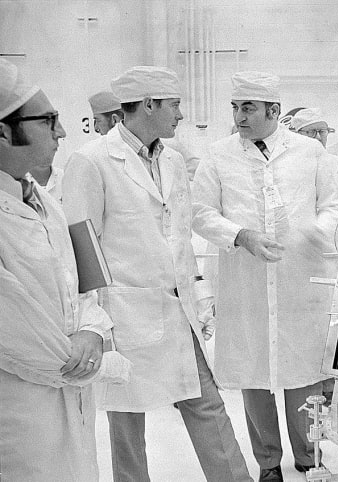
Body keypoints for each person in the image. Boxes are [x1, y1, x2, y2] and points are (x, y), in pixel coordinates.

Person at [63, 66, 251, 482]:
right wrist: (92, 322)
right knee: (127, 427)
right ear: (148, 105)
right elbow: (80, 249)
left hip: (176, 307)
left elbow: (179, 236)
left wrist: (198, 296)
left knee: (208, 406)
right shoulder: (91, 161)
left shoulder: (172, 159)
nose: (180, 114)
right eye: (174, 105)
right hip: (124, 315)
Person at [191, 71, 338, 481]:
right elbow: (201, 212)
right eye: (236, 107)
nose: (239, 116)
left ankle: (308, 457)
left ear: (273, 111)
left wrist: (313, 230)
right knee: (254, 373)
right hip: (246, 281)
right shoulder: (218, 155)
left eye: (249, 108)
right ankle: (268, 464)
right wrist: (240, 235)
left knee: (303, 373)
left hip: (301, 278)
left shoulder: (311, 153)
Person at [0, 58, 116, 481]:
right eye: (48, 120)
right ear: (2, 131)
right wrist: (99, 362)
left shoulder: (44, 199)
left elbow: (82, 285)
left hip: (71, 402)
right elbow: (13, 330)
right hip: (19, 410)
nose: (63, 132)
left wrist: (91, 330)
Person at [291, 107, 338, 204]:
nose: (318, 137)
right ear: (297, 134)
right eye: (311, 132)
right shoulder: (288, 166)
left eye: (322, 131)